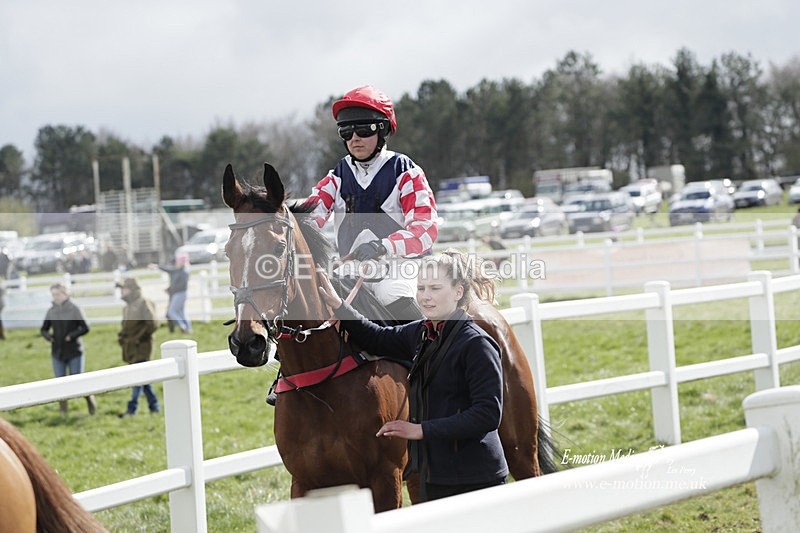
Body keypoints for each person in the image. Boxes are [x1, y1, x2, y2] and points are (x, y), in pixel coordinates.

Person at [266, 85, 439, 405]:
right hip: (351, 267)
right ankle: (288, 374)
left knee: (391, 292)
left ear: (383, 130)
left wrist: (385, 247)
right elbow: (309, 216)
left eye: (364, 129)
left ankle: (434, 366)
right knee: (311, 297)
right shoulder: (338, 174)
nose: (355, 138)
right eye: (346, 131)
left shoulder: (405, 171)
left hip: (401, 265)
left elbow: (426, 228)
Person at [317, 249, 508, 502]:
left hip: (476, 478)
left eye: (435, 288)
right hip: (434, 477)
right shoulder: (419, 332)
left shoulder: (477, 344)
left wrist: (421, 430)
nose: (425, 297)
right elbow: (376, 337)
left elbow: (488, 415)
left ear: (458, 292)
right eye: (421, 288)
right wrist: (340, 306)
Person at [40, 283, 96, 416]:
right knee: (60, 383)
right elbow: (43, 329)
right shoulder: (51, 311)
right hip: (57, 352)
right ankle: (63, 411)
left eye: (58, 294)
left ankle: (89, 399)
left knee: (77, 381)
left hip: (74, 351)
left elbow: (85, 327)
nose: (55, 297)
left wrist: (72, 336)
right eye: (53, 295)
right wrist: (49, 337)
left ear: (65, 294)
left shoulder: (74, 309)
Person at [116, 277, 160, 417]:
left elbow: (152, 324)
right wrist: (122, 337)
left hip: (142, 347)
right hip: (131, 347)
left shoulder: (143, 303)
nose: (122, 291)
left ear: (133, 290)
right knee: (144, 379)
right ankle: (154, 407)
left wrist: (138, 339)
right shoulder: (127, 307)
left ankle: (131, 409)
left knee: (137, 378)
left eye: (125, 288)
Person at [149, 254, 191, 334]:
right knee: (181, 312)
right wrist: (157, 266)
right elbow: (168, 270)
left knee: (171, 311)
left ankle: (182, 326)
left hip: (180, 294)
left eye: (178, 261)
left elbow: (181, 286)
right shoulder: (178, 270)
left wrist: (171, 289)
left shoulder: (184, 272)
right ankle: (188, 329)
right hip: (178, 294)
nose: (177, 263)